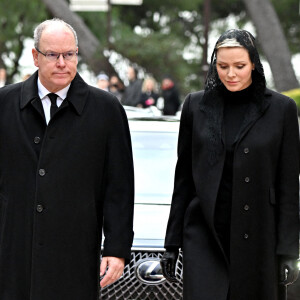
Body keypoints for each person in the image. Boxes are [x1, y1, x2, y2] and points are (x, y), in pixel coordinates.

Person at [0, 18, 134, 300]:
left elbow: (119, 187)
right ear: (36, 56)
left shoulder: (107, 110)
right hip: (12, 254)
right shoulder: (5, 104)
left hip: (75, 256)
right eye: (52, 55)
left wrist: (116, 248)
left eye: (69, 54)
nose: (62, 62)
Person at [161, 29, 299, 300]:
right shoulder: (194, 106)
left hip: (260, 235)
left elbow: (288, 184)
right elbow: (184, 178)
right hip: (204, 234)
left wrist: (287, 250)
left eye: (239, 66)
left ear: (254, 65)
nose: (231, 74)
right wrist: (172, 243)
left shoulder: (281, 109)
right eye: (223, 66)